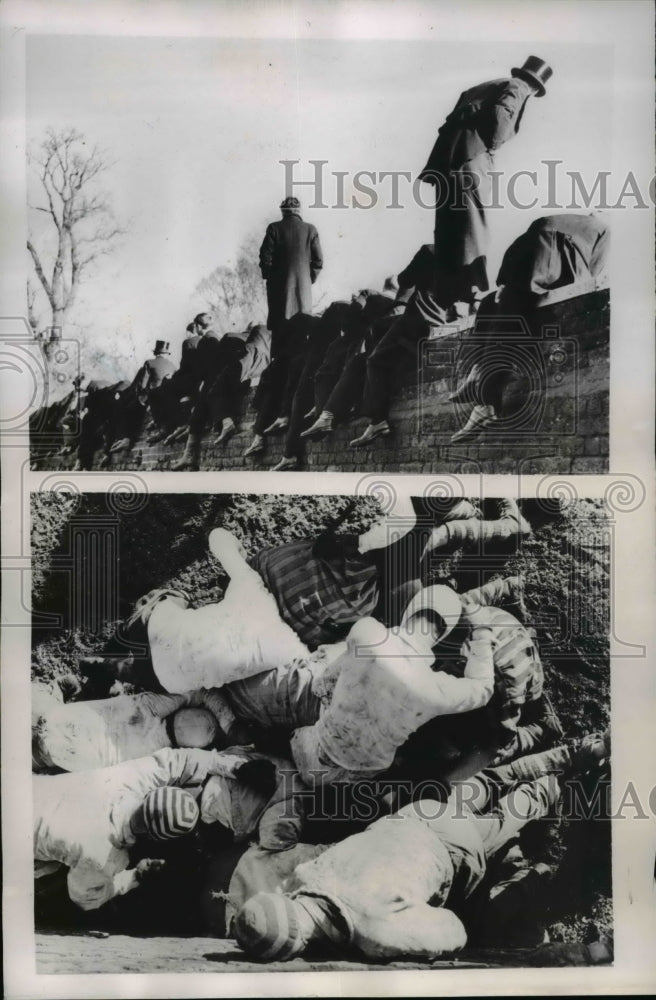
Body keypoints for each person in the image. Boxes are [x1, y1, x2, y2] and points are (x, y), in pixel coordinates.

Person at [232, 733, 607, 962]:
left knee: (509, 815)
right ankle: (578, 752)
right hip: (414, 816)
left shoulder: (371, 932)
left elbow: (454, 932)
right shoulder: (306, 873)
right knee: (491, 783)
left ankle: (558, 784)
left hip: (452, 847)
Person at [449, 213, 610, 442]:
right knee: (504, 313)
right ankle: (482, 385)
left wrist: (506, 280)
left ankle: (482, 387)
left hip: (527, 254)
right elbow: (594, 269)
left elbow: (525, 243)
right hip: (551, 260)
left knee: (494, 306)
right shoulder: (603, 229)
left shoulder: (563, 219)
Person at [33, 746, 241, 911]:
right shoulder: (109, 858)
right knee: (51, 870)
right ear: (154, 838)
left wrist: (236, 767)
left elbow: (180, 759)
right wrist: (132, 878)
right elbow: (83, 898)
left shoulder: (127, 780)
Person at [244, 196, 323, 459]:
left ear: (282, 211)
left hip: (280, 299)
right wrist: (306, 281)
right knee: (298, 344)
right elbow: (318, 262)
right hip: (303, 300)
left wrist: (274, 278)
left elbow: (264, 259)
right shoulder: (311, 229)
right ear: (299, 211)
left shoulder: (274, 228)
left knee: (280, 351)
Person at [31, 684, 249, 772]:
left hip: (57, 720)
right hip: (63, 759)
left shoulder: (150, 706)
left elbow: (200, 693)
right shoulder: (161, 760)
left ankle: (55, 690)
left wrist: (229, 724)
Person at [110, 341, 176, 454]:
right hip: (167, 396)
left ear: (156, 353)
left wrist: (138, 396)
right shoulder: (172, 365)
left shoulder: (149, 363)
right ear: (166, 353)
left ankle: (126, 439)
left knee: (129, 410)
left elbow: (143, 384)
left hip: (151, 396)